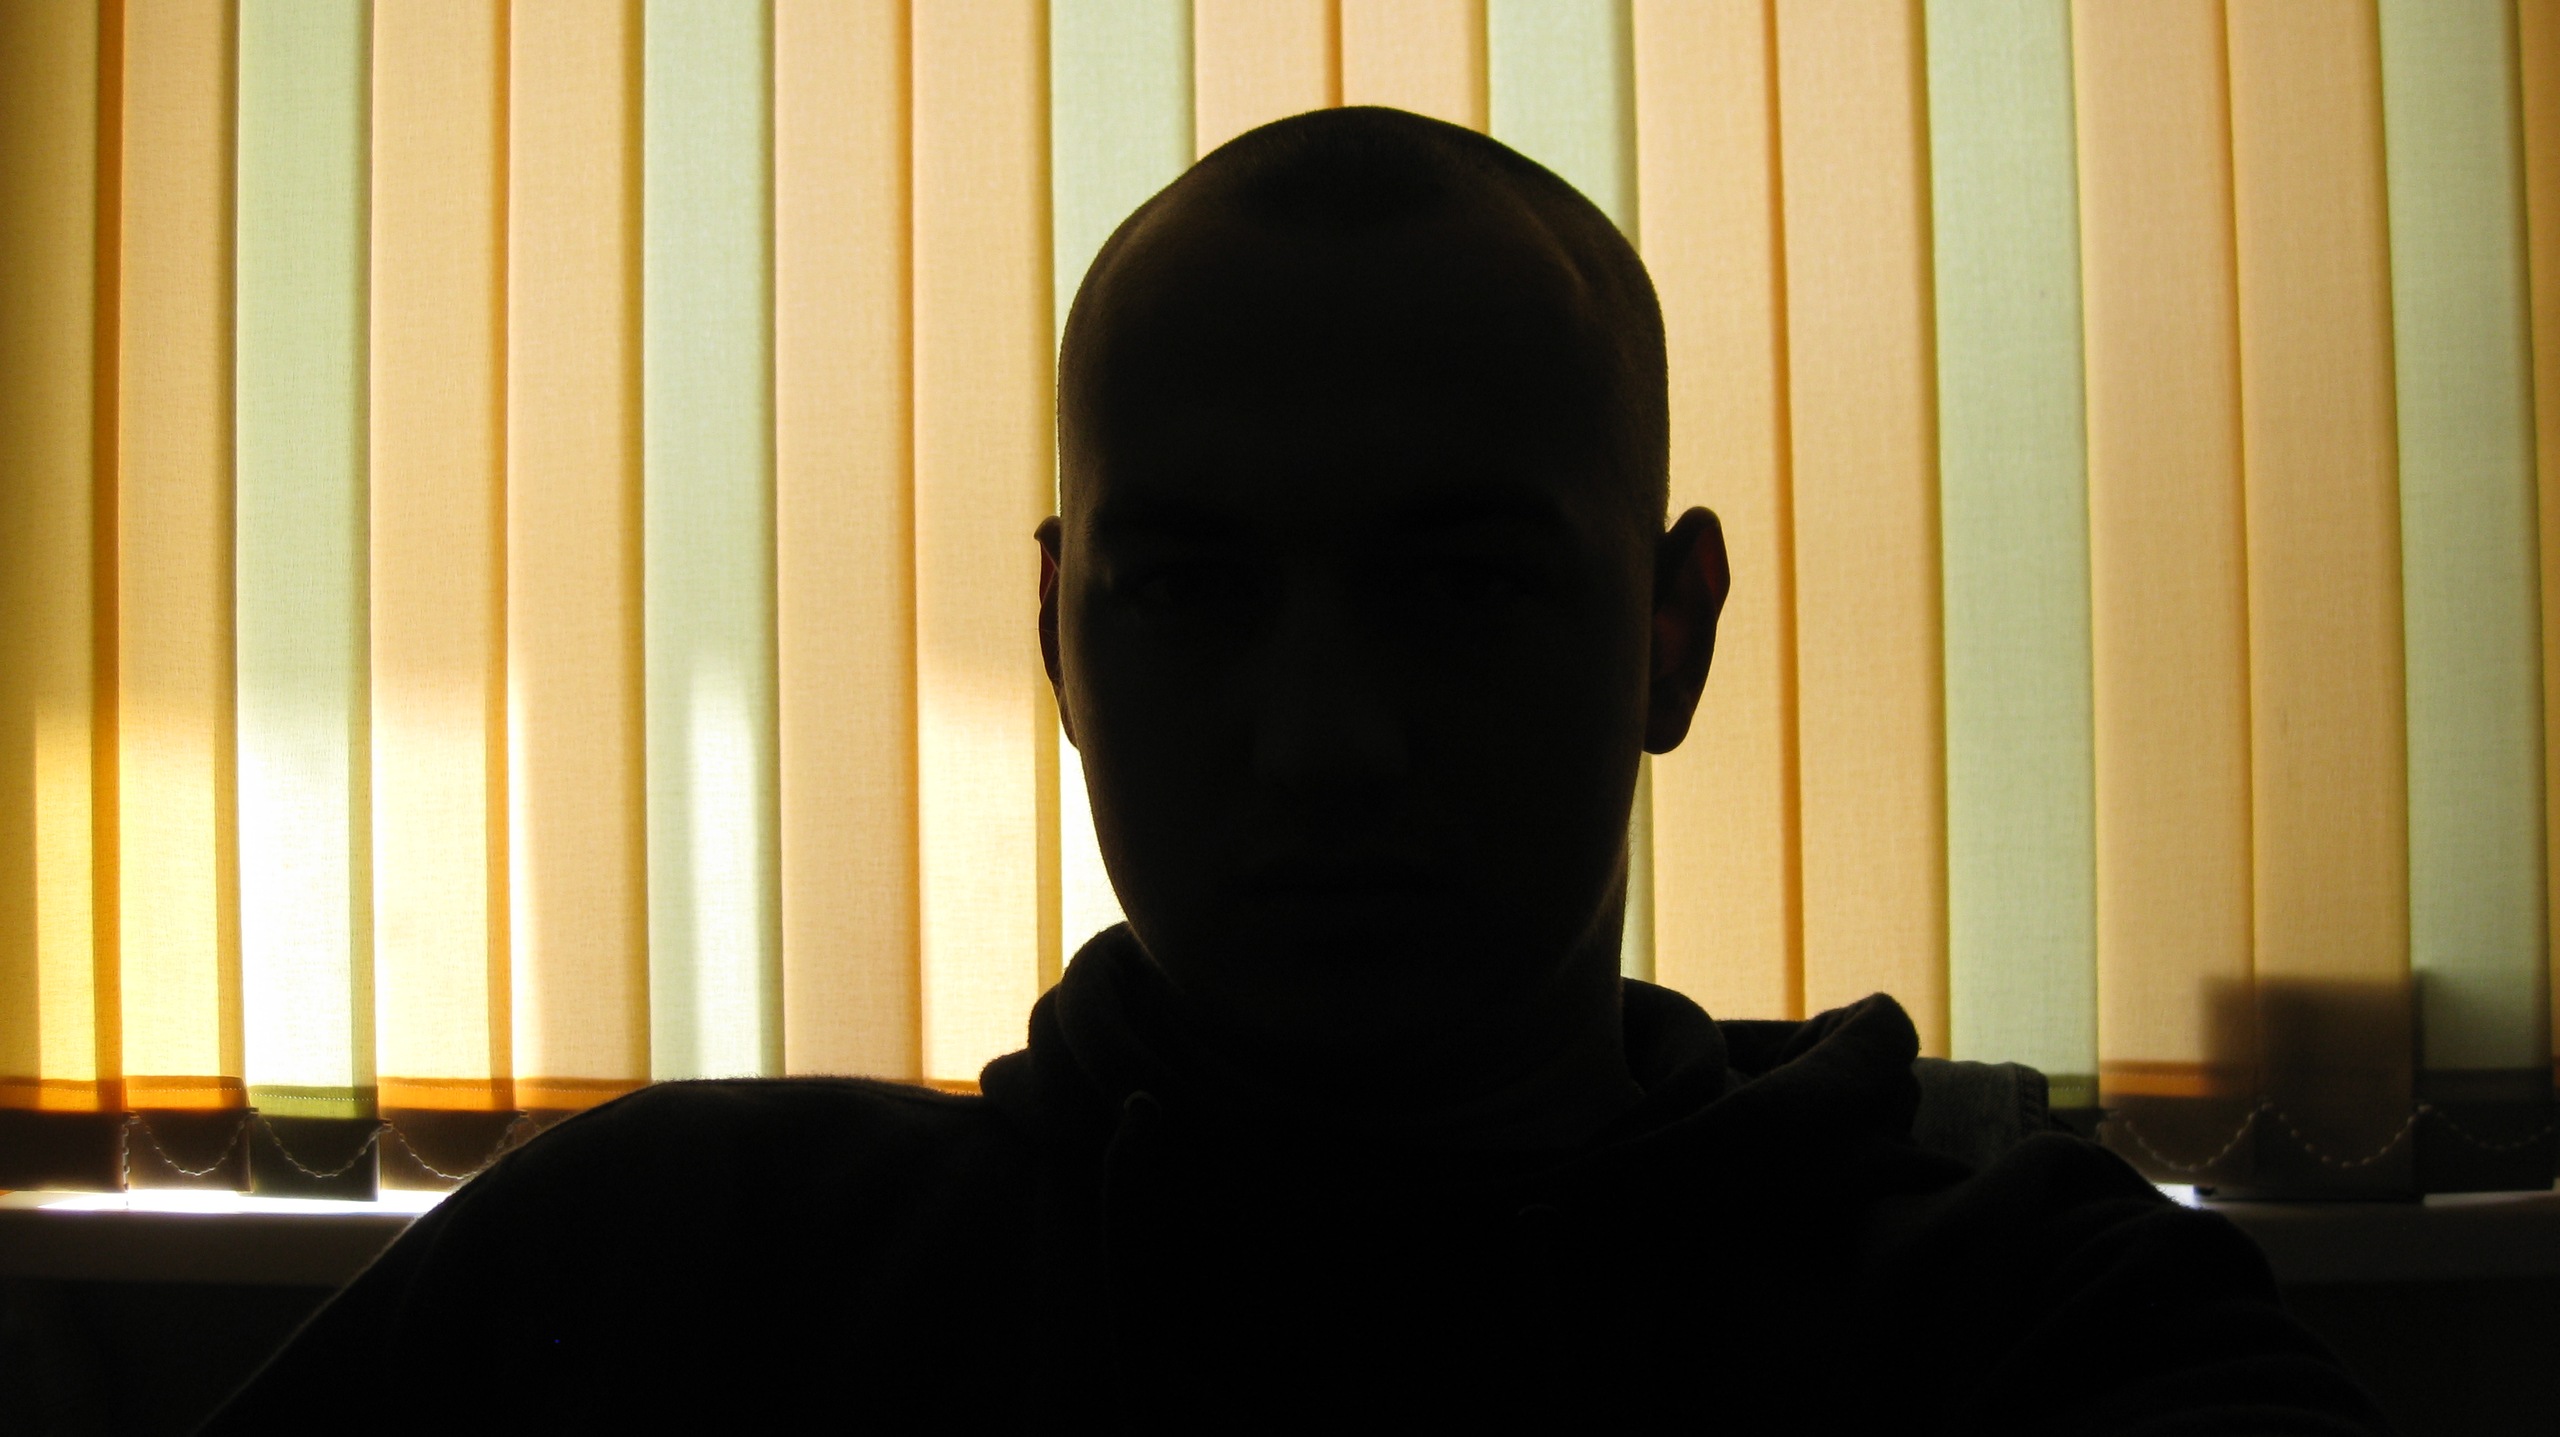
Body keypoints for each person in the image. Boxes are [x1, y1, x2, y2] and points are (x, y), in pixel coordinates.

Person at [209, 107, 2388, 1434]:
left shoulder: (2034, 1324)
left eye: (1458, 585)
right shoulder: (666, 1283)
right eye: (1187, 591)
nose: (1322, 735)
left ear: (1672, 630)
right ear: (1058, 636)